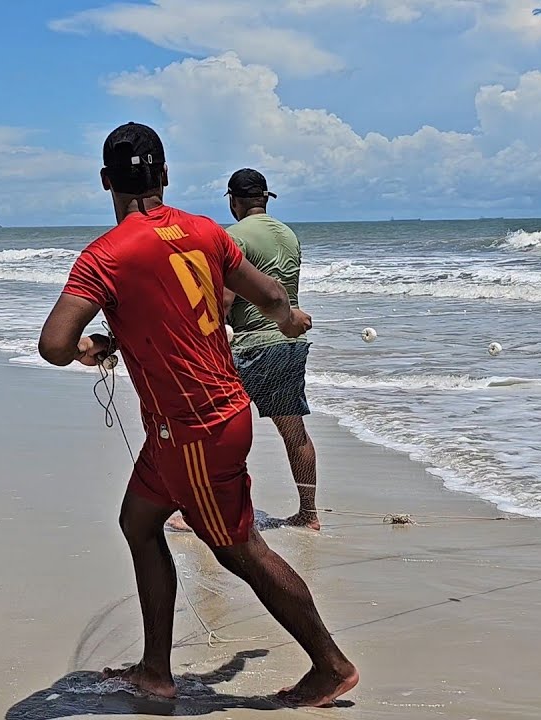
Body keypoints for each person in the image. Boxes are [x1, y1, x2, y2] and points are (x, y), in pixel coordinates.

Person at [38, 122, 357, 707]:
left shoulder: (104, 257)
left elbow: (55, 344)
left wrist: (88, 348)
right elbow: (270, 296)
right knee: (138, 523)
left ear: (106, 180)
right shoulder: (206, 231)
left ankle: (330, 665)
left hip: (196, 429)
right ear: (164, 175)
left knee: (240, 549)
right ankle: (155, 671)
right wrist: (290, 321)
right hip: (185, 427)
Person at [169, 168, 320, 532]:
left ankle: (208, 512)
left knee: (216, 429)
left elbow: (224, 300)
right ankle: (308, 514)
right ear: (265, 198)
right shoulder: (289, 235)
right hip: (288, 342)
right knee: (294, 432)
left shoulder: (232, 237)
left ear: (233, 202)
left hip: (251, 345)